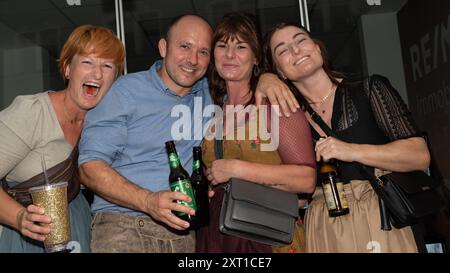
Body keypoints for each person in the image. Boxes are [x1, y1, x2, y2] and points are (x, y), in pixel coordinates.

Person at [78, 14, 295, 253]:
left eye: (203, 52)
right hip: (125, 226)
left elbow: (242, 83)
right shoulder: (126, 90)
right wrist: (148, 201)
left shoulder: (210, 94)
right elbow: (89, 167)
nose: (192, 60)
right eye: (185, 46)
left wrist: (267, 77)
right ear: (163, 47)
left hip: (185, 234)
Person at [265, 22, 431, 252]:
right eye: (282, 50)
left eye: (300, 40)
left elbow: (420, 155)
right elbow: (300, 196)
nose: (295, 50)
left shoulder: (369, 89)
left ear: (317, 48)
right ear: (279, 72)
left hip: (382, 218)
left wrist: (350, 150)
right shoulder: (290, 122)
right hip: (326, 226)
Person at [194, 13, 316, 253]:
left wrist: (236, 170)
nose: (230, 55)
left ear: (256, 57)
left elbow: (307, 180)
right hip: (217, 236)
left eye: (241, 46)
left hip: (267, 236)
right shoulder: (212, 110)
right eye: (222, 46)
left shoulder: (274, 102)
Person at [0, 24, 125, 253]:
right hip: (26, 237)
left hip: (78, 228)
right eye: (87, 62)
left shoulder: (101, 125)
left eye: (107, 66)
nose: (97, 74)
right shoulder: (33, 112)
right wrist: (19, 218)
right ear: (68, 69)